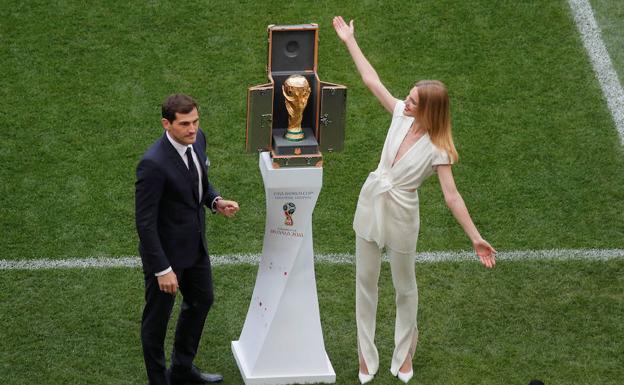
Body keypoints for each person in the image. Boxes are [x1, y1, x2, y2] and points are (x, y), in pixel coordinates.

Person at [333, 16, 497, 384]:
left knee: (405, 286)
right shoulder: (399, 116)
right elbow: (371, 80)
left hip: (404, 212)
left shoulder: (440, 148)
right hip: (372, 201)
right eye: (407, 97)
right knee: (365, 280)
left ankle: (404, 355)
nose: (405, 102)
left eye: (412, 101)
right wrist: (350, 41)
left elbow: (452, 197)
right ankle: (365, 356)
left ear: (428, 111)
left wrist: (475, 237)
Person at [135, 94, 239, 385]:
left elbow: (198, 181)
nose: (192, 129)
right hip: (166, 258)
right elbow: (144, 222)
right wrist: (162, 269)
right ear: (166, 124)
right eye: (184, 124)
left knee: (202, 300)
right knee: (156, 323)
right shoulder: (152, 164)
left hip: (195, 248)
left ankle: (181, 368)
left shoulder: (198, 139)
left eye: (195, 121)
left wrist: (214, 200)